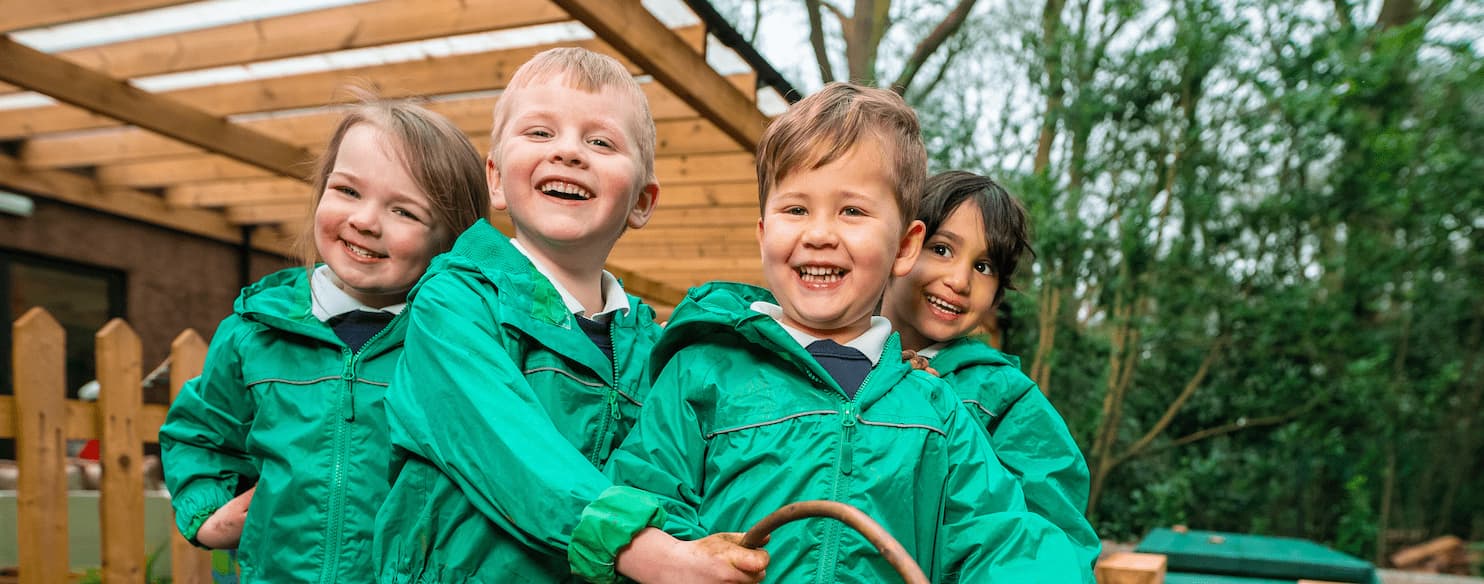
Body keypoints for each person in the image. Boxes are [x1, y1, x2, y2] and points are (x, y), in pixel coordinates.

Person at [603, 82, 1080, 582]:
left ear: (903, 247)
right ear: (764, 233)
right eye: (796, 209)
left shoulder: (937, 410)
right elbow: (643, 497)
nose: (820, 233)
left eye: (851, 211)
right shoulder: (701, 370)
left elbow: (1001, 540)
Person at [372, 47, 767, 583]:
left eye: (600, 141)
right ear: (495, 179)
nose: (568, 153)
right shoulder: (457, 301)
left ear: (642, 203)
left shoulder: (653, 347)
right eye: (539, 133)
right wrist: (654, 556)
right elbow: (507, 449)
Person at [159, 97, 491, 582]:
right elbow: (199, 433)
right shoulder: (254, 333)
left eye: (404, 211)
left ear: (448, 241)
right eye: (348, 191)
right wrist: (207, 512)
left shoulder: (451, 347)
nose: (365, 220)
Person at [881, 170, 1102, 579]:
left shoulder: (1010, 403)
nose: (959, 281)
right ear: (902, 246)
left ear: (998, 293)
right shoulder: (826, 362)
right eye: (942, 249)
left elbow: (1053, 543)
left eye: (983, 266)